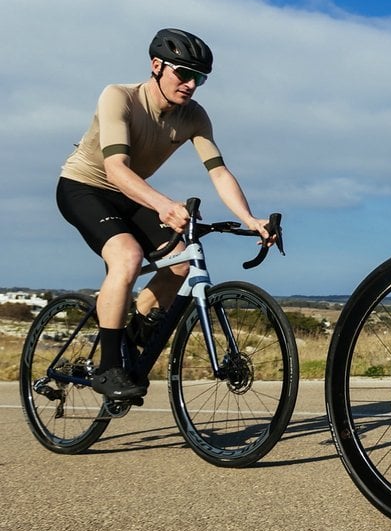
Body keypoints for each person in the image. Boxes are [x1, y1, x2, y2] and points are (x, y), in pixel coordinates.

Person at [57, 28, 273, 401]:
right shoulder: (119, 97)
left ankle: (129, 334)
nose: (190, 84)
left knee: (180, 264)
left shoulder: (194, 116)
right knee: (126, 257)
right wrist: (162, 205)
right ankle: (109, 368)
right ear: (157, 66)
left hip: (132, 193)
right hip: (86, 186)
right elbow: (116, 170)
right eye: (183, 73)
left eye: (199, 78)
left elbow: (218, 172)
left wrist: (251, 219)